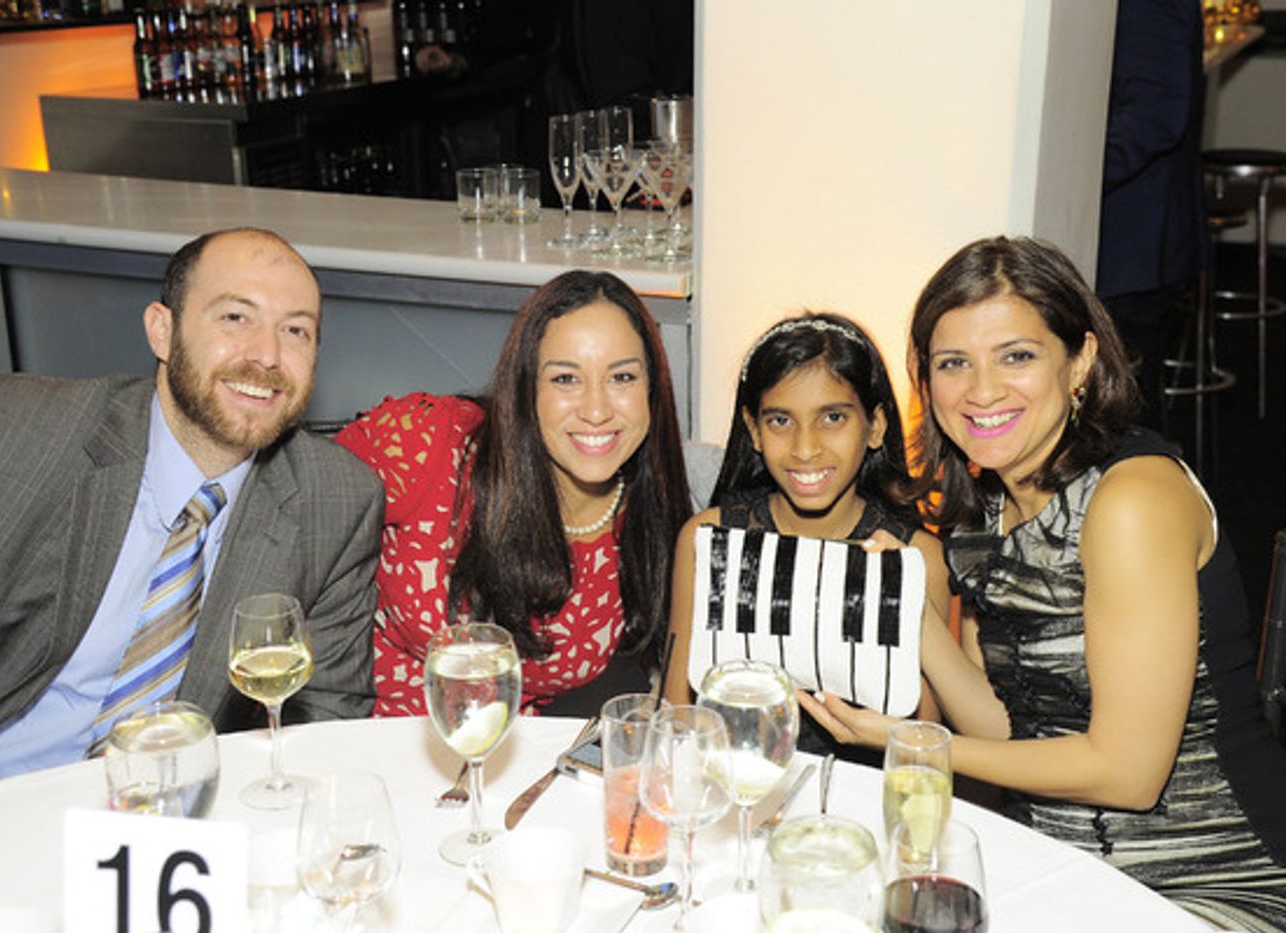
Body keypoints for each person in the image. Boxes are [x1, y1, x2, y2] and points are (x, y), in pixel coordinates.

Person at [809, 236, 1286, 930]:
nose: (982, 389)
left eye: (1017, 356)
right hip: (1060, 865)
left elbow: (1129, 769)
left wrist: (908, 745)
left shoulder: (1131, 502)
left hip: (1214, 882)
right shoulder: (984, 507)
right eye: (953, 364)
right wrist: (914, 616)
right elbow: (1010, 726)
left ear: (1081, 361)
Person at [0, 228, 383, 810]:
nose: (267, 356)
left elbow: (323, 725)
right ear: (162, 330)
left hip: (164, 829)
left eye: (296, 330)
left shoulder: (337, 498)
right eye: (234, 318)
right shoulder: (16, 432)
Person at [335, 270, 691, 716]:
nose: (597, 410)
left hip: (517, 769)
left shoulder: (653, 525)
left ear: (652, 390)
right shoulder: (428, 447)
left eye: (622, 378)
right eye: (565, 379)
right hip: (358, 746)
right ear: (525, 388)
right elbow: (282, 505)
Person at [663, 311, 950, 756]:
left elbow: (925, 738)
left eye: (832, 417)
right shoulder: (709, 538)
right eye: (780, 421)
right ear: (754, 429)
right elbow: (676, 715)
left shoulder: (915, 555)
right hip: (733, 786)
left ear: (875, 426)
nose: (804, 447)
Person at [1096, 0, 1206, 430]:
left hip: (1133, 246)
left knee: (1125, 427)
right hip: (1126, 242)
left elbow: (1156, 116)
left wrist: (1070, 177)